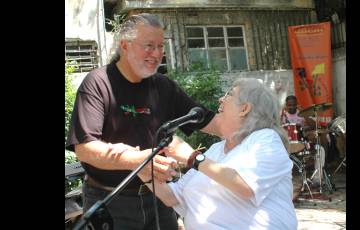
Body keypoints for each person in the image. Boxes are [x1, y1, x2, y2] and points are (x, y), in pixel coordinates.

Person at [65, 13, 219, 230]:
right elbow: (85, 149)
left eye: (160, 46)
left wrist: (254, 125)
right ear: (125, 46)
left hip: (159, 199)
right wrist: (137, 159)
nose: (157, 54)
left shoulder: (163, 86)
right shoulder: (98, 83)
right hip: (111, 202)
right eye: (149, 46)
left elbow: (211, 122)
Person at [138, 78, 298, 230]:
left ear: (245, 109)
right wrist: (139, 164)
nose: (221, 99)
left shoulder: (266, 139)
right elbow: (172, 197)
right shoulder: (216, 149)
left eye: (229, 94)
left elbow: (245, 185)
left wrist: (192, 157)